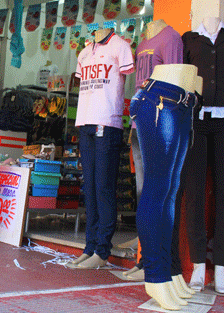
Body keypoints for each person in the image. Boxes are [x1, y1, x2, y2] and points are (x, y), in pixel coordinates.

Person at [130, 64, 202, 311]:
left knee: (169, 191)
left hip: (181, 101)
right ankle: (155, 274)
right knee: (158, 189)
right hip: (160, 99)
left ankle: (167, 272)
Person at [70, 28, 134, 268]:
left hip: (108, 122)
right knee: (90, 188)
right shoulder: (85, 52)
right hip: (85, 122)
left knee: (104, 187)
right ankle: (90, 246)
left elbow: (128, 76)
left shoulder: (120, 46)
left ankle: (102, 251)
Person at [178, 16, 224, 294]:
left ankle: (221, 266)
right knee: (194, 193)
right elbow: (183, 77)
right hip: (196, 119)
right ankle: (197, 265)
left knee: (223, 193)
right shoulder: (190, 39)